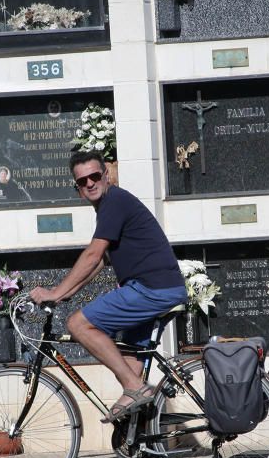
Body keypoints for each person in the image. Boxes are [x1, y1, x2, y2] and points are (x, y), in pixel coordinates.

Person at [30, 151, 187, 422]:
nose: (90, 183)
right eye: (82, 181)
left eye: (94, 176)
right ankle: (143, 449)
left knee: (78, 324)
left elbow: (92, 254)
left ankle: (135, 387)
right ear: (77, 188)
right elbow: (102, 260)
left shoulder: (114, 201)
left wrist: (54, 292)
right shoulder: (109, 207)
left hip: (151, 289)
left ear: (106, 175)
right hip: (153, 289)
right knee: (129, 364)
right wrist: (66, 293)